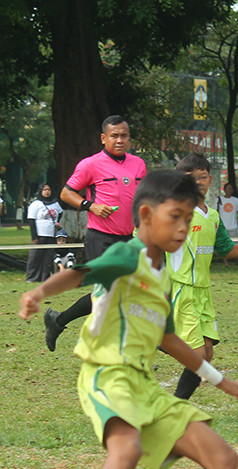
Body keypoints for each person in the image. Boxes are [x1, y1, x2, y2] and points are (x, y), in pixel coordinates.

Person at [18, 170, 238, 469]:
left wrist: (221, 382)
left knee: (223, 459)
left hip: (143, 384)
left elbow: (168, 339)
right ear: (145, 214)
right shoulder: (129, 255)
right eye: (176, 217)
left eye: (188, 218)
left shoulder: (162, 271)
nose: (184, 227)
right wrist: (40, 292)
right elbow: (82, 273)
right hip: (107, 373)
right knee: (126, 449)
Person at [170, 153, 238, 400]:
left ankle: (177, 402)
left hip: (202, 291)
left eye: (203, 176)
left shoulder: (213, 216)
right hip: (180, 288)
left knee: (207, 353)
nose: (199, 181)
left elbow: (226, 249)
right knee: (197, 355)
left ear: (210, 180)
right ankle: (174, 406)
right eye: (191, 177)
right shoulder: (174, 211)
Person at [43, 115, 147, 350]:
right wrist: (91, 206)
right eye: (114, 136)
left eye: (124, 136)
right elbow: (66, 193)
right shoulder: (90, 164)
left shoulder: (138, 164)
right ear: (103, 138)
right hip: (100, 237)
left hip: (128, 239)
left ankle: (57, 321)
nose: (120, 140)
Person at [25, 183, 63, 282]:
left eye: (49, 190)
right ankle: (31, 277)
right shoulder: (36, 204)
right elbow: (31, 220)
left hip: (50, 234)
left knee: (48, 257)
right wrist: (34, 237)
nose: (47, 192)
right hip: (39, 234)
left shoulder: (55, 203)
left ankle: (44, 277)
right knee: (35, 257)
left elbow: (60, 213)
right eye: (45, 190)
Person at [216, 182, 238, 267]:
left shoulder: (235, 200)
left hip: (233, 226)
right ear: (224, 190)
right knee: (224, 245)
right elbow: (215, 212)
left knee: (236, 244)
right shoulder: (219, 200)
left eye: (231, 188)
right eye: (228, 188)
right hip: (223, 227)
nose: (229, 190)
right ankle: (226, 263)